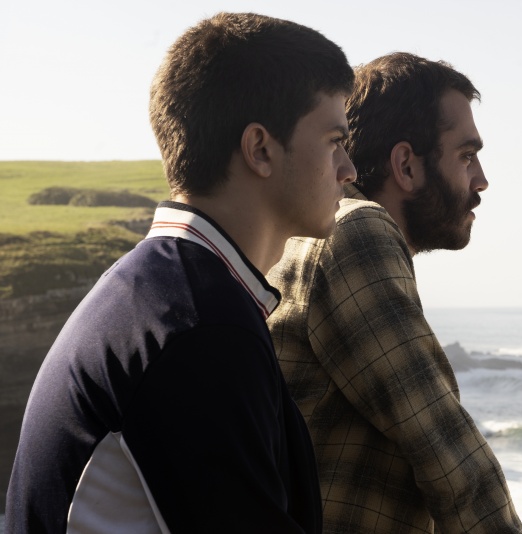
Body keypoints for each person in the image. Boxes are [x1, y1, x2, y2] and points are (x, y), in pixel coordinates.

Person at [6, 12, 355, 533]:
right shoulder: (199, 326)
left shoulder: (154, 289)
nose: (348, 169)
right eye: (333, 141)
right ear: (260, 149)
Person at [267, 52, 522, 532]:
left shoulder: (309, 237)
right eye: (466, 156)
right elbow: (448, 452)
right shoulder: (356, 231)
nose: (481, 180)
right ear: (406, 165)